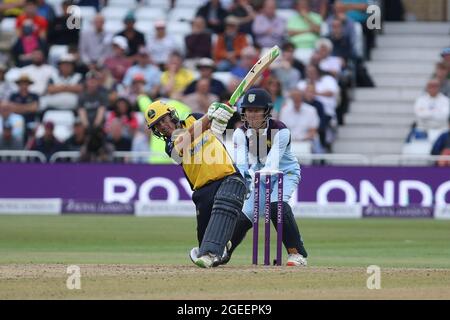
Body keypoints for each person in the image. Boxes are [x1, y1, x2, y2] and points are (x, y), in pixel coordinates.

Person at [144, 99, 246, 268]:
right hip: (202, 191)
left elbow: (219, 128)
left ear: (172, 115)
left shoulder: (195, 118)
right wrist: (210, 115)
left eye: (163, 119)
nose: (162, 126)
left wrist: (222, 113)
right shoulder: (170, 146)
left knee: (211, 247)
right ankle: (222, 244)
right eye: (156, 125)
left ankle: (223, 241)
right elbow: (186, 138)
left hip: (226, 176)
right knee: (205, 247)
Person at [230, 88, 308, 266]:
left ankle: (297, 254)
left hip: (285, 173)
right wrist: (244, 180)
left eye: (257, 110)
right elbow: (241, 165)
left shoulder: (281, 131)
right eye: (249, 110)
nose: (252, 115)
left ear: (266, 111)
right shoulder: (240, 133)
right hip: (260, 175)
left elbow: (272, 164)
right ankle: (223, 252)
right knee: (245, 214)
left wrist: (251, 175)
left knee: (276, 206)